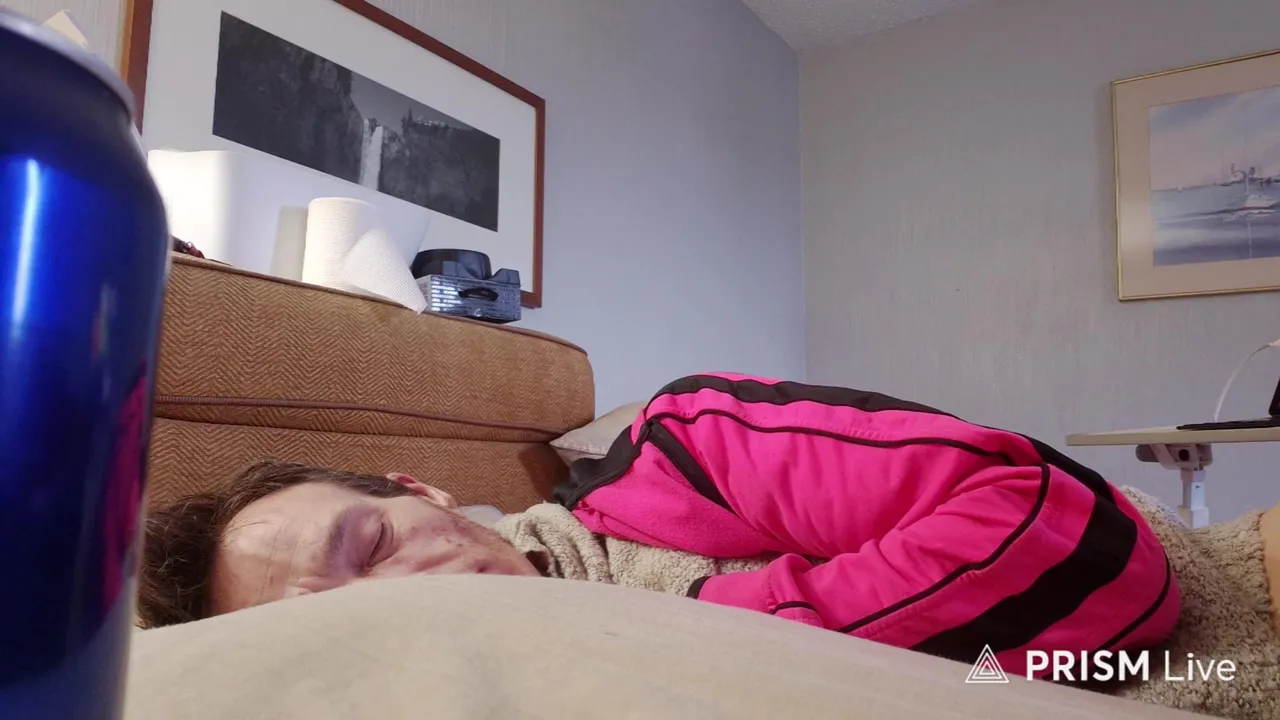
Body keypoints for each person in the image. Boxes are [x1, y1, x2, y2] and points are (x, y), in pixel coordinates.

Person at [139, 373, 1179, 679]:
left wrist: (710, 624)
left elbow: (1071, 543)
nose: (391, 605)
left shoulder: (681, 450)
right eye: (333, 623)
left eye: (371, 547)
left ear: (425, 492)